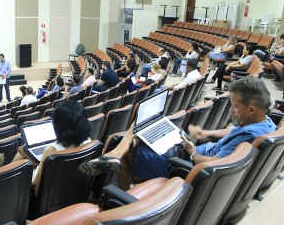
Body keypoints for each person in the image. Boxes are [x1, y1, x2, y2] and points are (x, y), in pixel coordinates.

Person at [80, 77, 276, 189]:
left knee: (131, 147)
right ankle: (117, 152)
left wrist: (191, 151)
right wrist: (205, 132)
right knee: (144, 128)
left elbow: (213, 164)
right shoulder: (265, 124)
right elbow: (232, 131)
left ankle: (118, 163)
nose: (231, 111)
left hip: (185, 163)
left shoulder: (247, 137)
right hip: (191, 150)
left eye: (234, 107)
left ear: (251, 109)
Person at [12, 101, 91, 193]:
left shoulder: (52, 150)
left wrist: (28, 173)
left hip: (45, 198)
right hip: (74, 192)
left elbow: (34, 183)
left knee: (21, 156)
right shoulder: (89, 141)